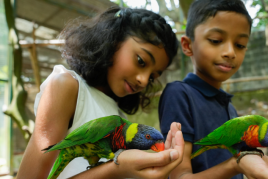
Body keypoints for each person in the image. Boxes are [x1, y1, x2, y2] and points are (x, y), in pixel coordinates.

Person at [17, 7, 185, 179]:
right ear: (113, 40)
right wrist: (115, 169)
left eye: (152, 77)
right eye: (141, 61)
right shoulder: (66, 86)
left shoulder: (119, 118)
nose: (143, 80)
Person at [158, 0, 268, 179]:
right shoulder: (179, 95)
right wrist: (236, 165)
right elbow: (180, 177)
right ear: (187, 45)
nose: (230, 52)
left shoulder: (228, 106)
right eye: (216, 40)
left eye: (240, 44)